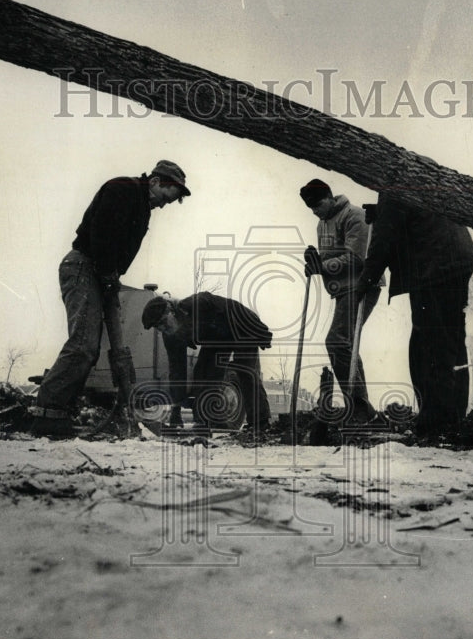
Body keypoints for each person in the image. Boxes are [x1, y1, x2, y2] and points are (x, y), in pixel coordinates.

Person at [31, 160, 190, 437]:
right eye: (165, 198)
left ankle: (74, 409)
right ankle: (47, 411)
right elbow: (104, 233)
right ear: (154, 181)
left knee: (113, 350)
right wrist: (107, 273)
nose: (163, 205)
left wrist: (111, 278)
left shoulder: (140, 204)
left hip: (103, 274)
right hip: (85, 267)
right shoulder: (123, 189)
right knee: (83, 345)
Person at [356, 192, 473, 439]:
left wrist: (365, 281)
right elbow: (417, 215)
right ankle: (452, 418)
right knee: (451, 344)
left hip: (435, 268)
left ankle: (437, 423)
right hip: (459, 262)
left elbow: (383, 242)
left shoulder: (392, 186)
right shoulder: (412, 176)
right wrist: (381, 214)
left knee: (428, 348)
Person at [299, 178, 384, 425]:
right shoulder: (322, 224)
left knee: (337, 341)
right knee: (345, 343)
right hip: (342, 290)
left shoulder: (354, 215)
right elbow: (329, 256)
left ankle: (360, 408)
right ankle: (360, 408)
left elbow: (357, 258)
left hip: (361, 286)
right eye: (311, 208)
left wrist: (321, 266)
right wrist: (314, 260)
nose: (315, 211)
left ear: (329, 197)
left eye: (317, 205)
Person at [141, 292, 273, 431]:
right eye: (158, 327)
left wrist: (258, 329)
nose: (163, 329)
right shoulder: (171, 336)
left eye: (163, 322)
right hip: (216, 338)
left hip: (240, 326)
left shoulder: (198, 303)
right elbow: (177, 371)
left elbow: (233, 309)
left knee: (245, 370)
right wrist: (176, 410)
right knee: (202, 373)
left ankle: (260, 423)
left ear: (172, 311)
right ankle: (207, 421)